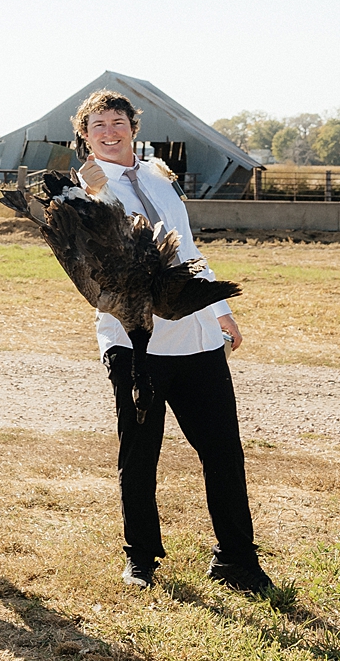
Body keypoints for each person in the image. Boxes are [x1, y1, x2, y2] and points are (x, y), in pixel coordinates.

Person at [73, 89, 272, 593]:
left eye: (117, 121)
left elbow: (187, 246)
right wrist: (93, 196)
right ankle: (140, 557)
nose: (109, 131)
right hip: (135, 340)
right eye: (98, 125)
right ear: (85, 136)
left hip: (197, 336)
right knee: (140, 453)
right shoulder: (78, 194)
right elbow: (103, 251)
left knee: (223, 451)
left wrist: (220, 309)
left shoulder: (161, 177)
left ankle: (237, 560)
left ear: (133, 128)